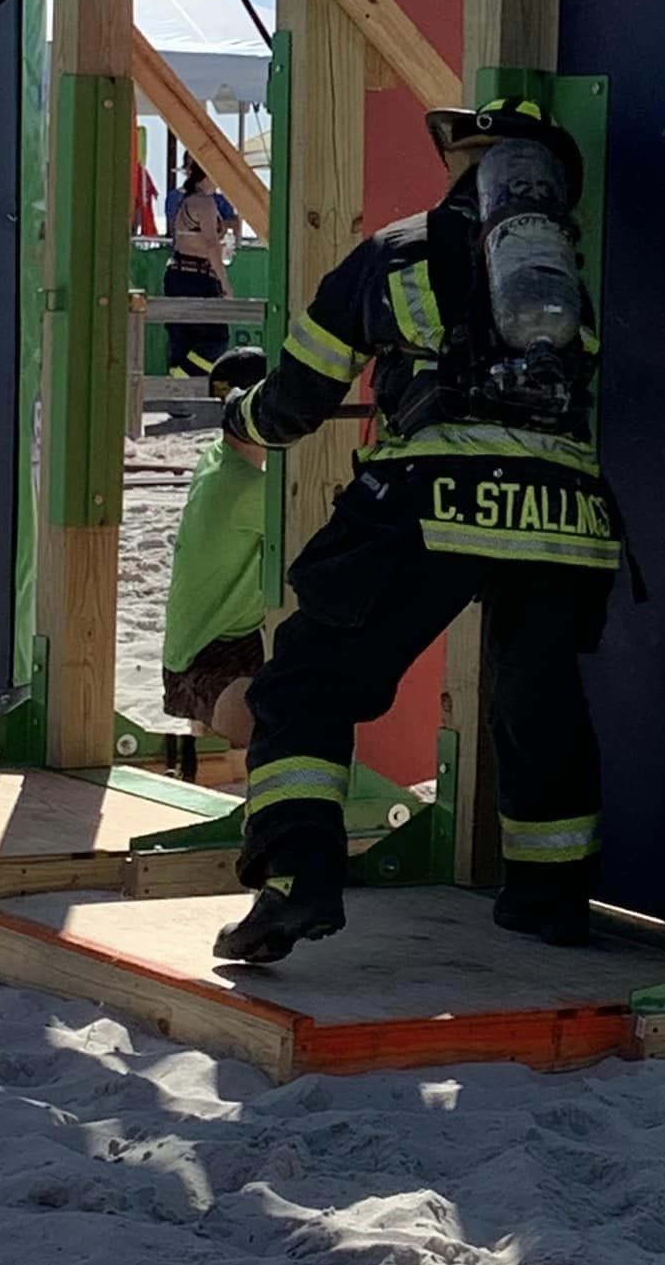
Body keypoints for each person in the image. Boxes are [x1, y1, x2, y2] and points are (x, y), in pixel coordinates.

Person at [212, 93, 619, 966]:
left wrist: (240, 415)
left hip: (429, 498)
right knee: (537, 697)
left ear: (462, 163)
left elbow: (296, 402)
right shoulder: (569, 276)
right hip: (565, 516)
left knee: (306, 684)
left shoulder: (394, 251)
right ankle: (551, 898)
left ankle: (296, 877)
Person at [161, 348, 269, 760]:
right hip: (204, 661)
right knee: (271, 727)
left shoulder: (215, 460)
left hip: (221, 643)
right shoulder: (247, 489)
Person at [164, 159, 232, 379]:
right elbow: (211, 245)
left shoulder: (185, 200)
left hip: (178, 274)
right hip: (197, 276)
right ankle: (182, 380)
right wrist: (225, 283)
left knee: (183, 339)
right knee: (215, 338)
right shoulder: (204, 203)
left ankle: (178, 387)